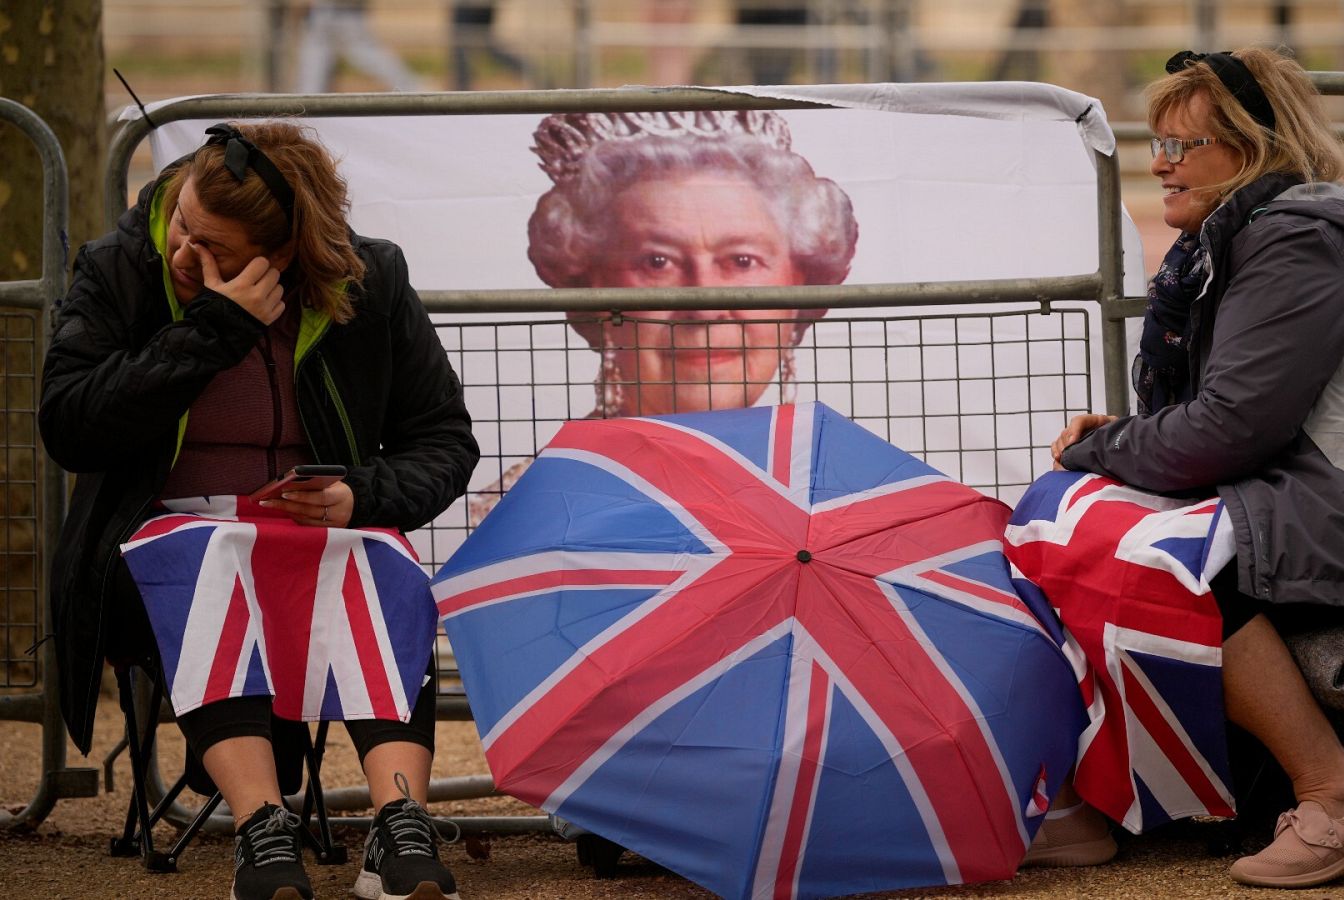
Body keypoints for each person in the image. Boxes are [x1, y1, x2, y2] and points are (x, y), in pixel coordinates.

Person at [1044, 47, 1344, 887]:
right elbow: (1213, 429)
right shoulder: (1239, 248)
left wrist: (1099, 445)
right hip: (1319, 514)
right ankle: (1087, 798)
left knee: (1154, 557)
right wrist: (1112, 445)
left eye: (1183, 147)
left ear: (1252, 150)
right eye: (1158, 142)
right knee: (1075, 518)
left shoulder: (1294, 246)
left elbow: (1222, 434)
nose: (1160, 165)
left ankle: (1338, 797)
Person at [41, 121, 477, 900]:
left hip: (308, 538)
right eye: (182, 222)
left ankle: (398, 825)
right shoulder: (121, 269)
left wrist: (359, 497)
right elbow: (68, 423)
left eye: (217, 251)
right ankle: (261, 830)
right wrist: (215, 327)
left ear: (282, 261)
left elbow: (443, 439)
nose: (183, 253)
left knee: (382, 558)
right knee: (212, 558)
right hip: (161, 545)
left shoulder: (368, 281)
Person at [468, 109, 858, 521]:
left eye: (742, 260)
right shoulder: (525, 516)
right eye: (658, 262)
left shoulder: (846, 508)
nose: (704, 305)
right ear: (592, 291)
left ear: (798, 285)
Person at [297, 0, 421, 94]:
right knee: (312, 73)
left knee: (369, 54)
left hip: (345, 14)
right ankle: (304, 107)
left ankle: (413, 90)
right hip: (323, 14)